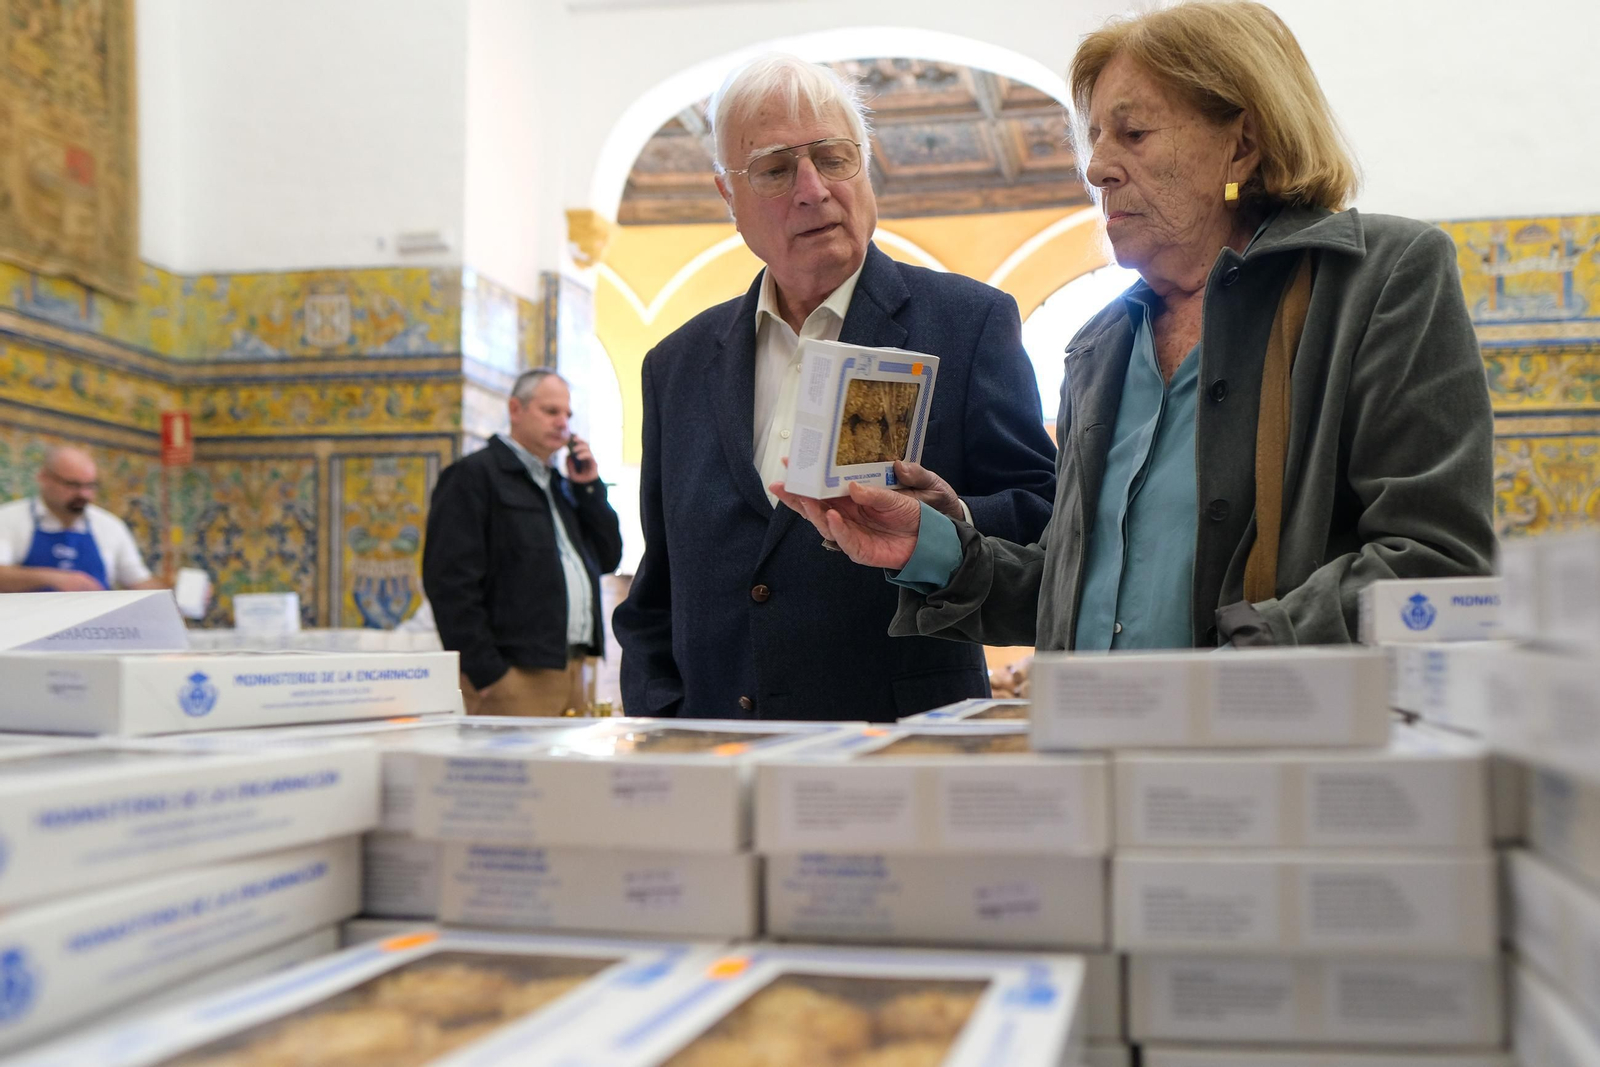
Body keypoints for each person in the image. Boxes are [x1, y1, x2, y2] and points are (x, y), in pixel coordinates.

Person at [775, 1, 1495, 651]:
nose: (1096, 168)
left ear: (1241, 145)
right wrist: (927, 547)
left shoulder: (1381, 279)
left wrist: (1233, 663)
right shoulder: (1101, 345)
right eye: (1093, 137)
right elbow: (1074, 598)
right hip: (1098, 768)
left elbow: (1435, 563)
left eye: (1134, 132)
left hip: (1273, 766)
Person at [612, 54, 1058, 722]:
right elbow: (659, 591)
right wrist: (663, 725)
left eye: (833, 156)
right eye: (774, 168)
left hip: (901, 760)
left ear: (866, 165)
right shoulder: (675, 365)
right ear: (727, 197)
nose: (813, 188)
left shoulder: (966, 324)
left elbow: (1043, 523)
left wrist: (949, 522)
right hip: (717, 764)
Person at [423, 368, 623, 715]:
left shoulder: (562, 486)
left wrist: (589, 489)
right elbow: (449, 582)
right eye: (551, 412)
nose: (563, 423)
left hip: (574, 669)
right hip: (515, 676)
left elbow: (607, 557)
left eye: (568, 414)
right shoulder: (474, 477)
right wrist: (488, 673)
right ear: (516, 410)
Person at [0, 446, 166, 592]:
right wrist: (53, 578)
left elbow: (138, 580)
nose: (83, 494)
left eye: (90, 486)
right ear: (44, 478)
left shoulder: (110, 526)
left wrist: (170, 598)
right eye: (73, 485)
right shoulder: (9, 519)